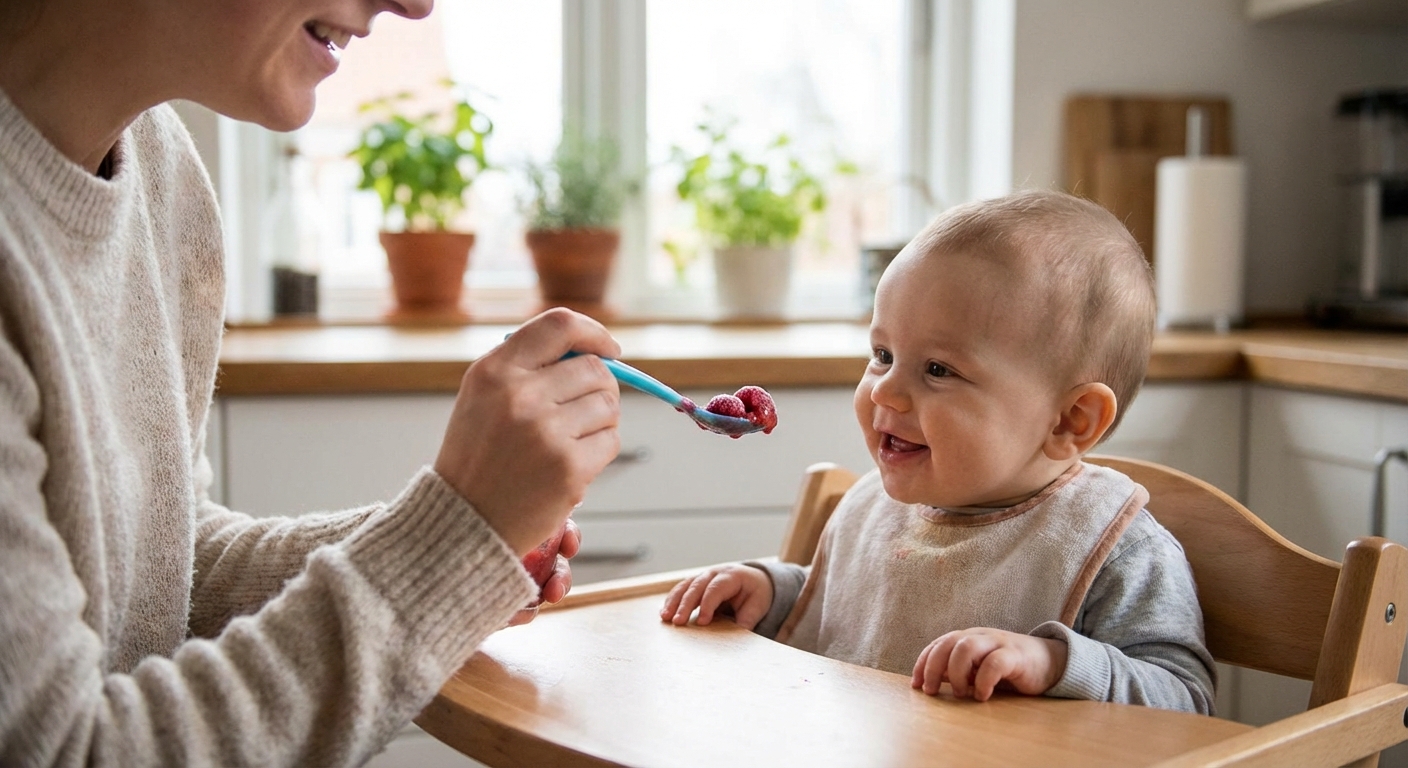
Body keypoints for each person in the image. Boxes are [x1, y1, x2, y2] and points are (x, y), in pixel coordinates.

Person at [0, 0, 622, 765]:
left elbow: (165, 576)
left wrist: (445, 538)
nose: (416, 4)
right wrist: (447, 550)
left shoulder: (159, 170)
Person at [661, 189, 1217, 714]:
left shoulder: (1115, 546)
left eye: (937, 370)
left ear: (1070, 420)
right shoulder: (872, 510)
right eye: (881, 353)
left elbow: (1185, 701)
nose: (883, 389)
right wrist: (772, 592)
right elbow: (852, 612)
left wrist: (1053, 664)